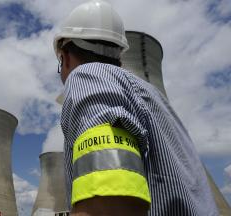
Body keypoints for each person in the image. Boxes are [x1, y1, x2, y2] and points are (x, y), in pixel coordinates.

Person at [54, 1, 218, 215]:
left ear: (65, 58)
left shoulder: (88, 76)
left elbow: (108, 206)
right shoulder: (155, 97)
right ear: (119, 58)